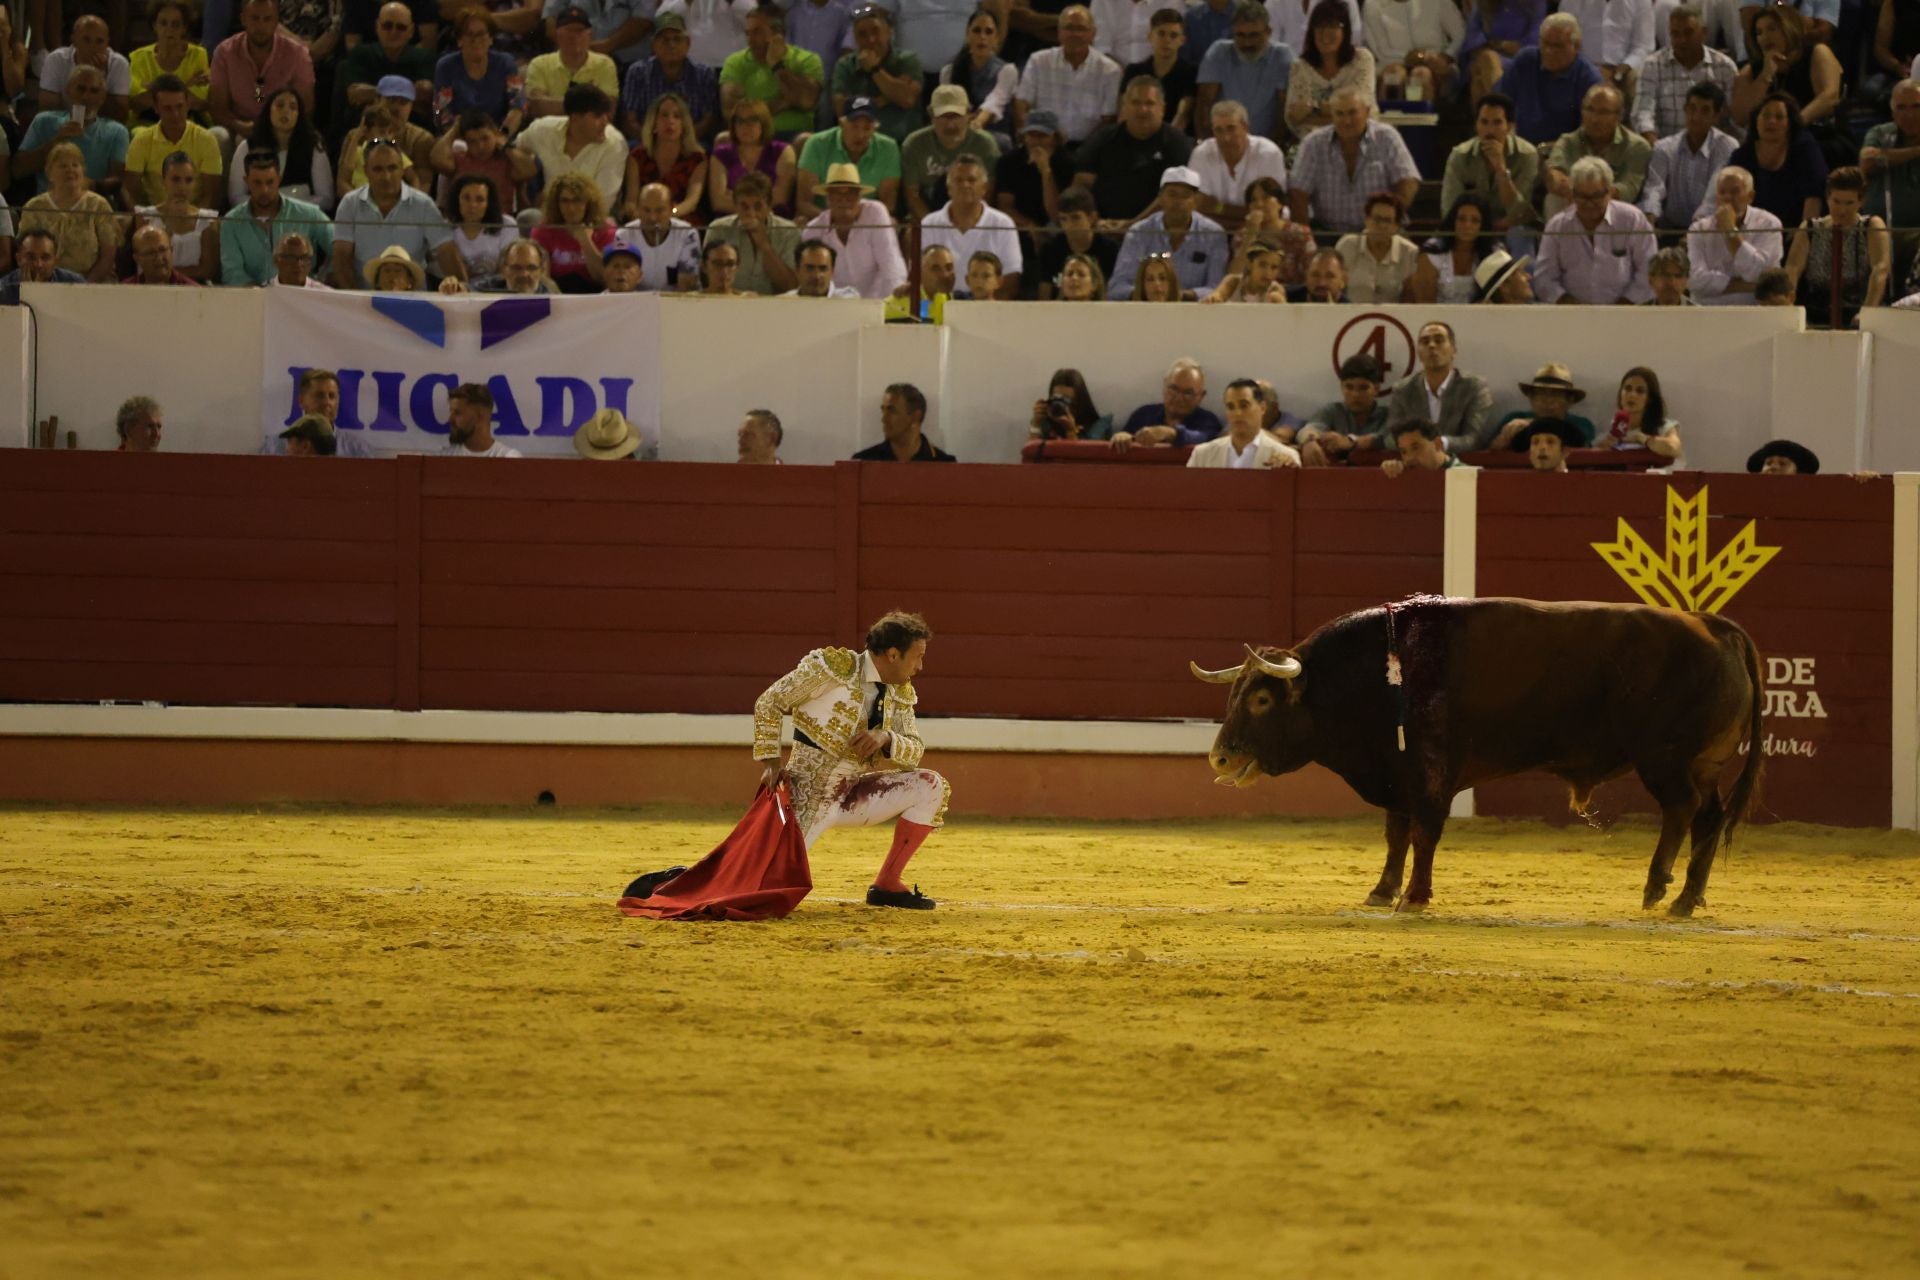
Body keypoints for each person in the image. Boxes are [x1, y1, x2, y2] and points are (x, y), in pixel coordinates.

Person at [751, 610, 949, 908]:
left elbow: (914, 751)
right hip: (808, 793)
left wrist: (887, 738)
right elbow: (770, 701)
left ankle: (888, 884)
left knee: (931, 785)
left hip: (855, 793)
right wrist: (771, 762)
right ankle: (678, 880)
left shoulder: (900, 692)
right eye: (917, 656)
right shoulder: (832, 670)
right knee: (762, 885)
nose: (920, 666)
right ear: (894, 654)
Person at [1287, 87, 1420, 233]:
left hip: (1381, 231)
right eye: (1340, 114)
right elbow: (1297, 193)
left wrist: (1386, 221)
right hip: (1327, 232)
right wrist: (1307, 240)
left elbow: (1408, 183)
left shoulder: (1387, 137)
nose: (1347, 121)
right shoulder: (1313, 143)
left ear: (1367, 112)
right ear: (1332, 115)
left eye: (1353, 112)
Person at [333, 138, 462, 288]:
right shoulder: (350, 204)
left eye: (392, 168)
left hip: (413, 300)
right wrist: (357, 301)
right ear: (366, 170)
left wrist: (462, 288)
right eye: (378, 169)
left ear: (402, 169)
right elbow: (341, 259)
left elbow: (446, 251)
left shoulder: (423, 204)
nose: (386, 176)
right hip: (365, 298)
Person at [1534, 155, 1658, 304]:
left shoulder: (1632, 219)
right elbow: (1544, 278)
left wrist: (1624, 306)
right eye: (1582, 197)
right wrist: (1569, 304)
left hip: (1627, 314)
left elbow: (1649, 271)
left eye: (1596, 196)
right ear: (1572, 194)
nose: (1589, 204)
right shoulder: (1557, 226)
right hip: (1571, 317)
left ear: (1610, 192)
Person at [1074, 76, 1193, 225]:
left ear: (1162, 109)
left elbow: (1176, 196)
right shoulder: (1104, 138)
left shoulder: (1178, 143)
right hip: (1103, 227)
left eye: (1150, 103)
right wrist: (1094, 221)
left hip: (1156, 233)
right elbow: (1082, 184)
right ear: (1124, 106)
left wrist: (1132, 226)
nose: (1143, 110)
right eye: (1136, 103)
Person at [1786, 165, 1890, 327]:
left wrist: (1866, 313)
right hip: (1816, 307)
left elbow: (1880, 269)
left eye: (1849, 203)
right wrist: (1789, 309)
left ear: (1861, 201)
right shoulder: (1810, 228)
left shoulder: (1871, 226)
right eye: (1836, 201)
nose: (1842, 210)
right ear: (1827, 197)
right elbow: (1793, 268)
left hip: (1858, 305)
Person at [1107, 165, 1227, 296]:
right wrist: (1151, 295)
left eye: (1185, 196)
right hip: (1147, 311)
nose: (1178, 202)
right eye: (1172, 194)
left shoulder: (1214, 234)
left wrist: (1180, 296)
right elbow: (1117, 286)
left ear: (1196, 201)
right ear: (1160, 198)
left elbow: (1217, 287)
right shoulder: (1139, 233)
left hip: (1196, 312)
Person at [1012, 4, 1123, 145]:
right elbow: (1021, 104)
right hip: (1044, 143)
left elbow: (1108, 119)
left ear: (1093, 34)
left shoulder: (1110, 70)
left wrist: (1087, 151)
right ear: (1059, 32)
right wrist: (1030, 139)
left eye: (1081, 29)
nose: (1075, 34)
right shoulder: (1038, 61)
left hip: (1088, 147)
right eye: (1069, 28)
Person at [15, 66, 131, 198]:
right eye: (81, 88)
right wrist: (56, 141)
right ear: (68, 91)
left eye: (94, 91)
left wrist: (79, 185)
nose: (86, 96)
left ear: (102, 98)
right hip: (48, 205)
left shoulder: (116, 132)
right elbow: (18, 169)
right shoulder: (44, 121)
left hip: (93, 205)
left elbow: (117, 181)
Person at [1385, 319, 1494, 456]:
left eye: (1439, 340)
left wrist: (1441, 443)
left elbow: (1476, 438)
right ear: (1418, 353)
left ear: (1453, 350)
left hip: (1460, 467)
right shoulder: (1403, 389)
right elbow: (1389, 438)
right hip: (1416, 466)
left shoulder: (1474, 387)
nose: (1431, 345)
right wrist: (1417, 446)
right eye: (1425, 342)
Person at [223, 152, 334, 286]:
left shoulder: (309, 214)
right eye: (257, 183)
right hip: (254, 300)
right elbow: (232, 273)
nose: (264, 190)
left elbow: (339, 248)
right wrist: (263, 297)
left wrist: (322, 279)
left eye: (270, 182)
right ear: (246, 181)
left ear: (279, 180)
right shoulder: (231, 222)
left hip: (303, 296)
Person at [209, 0, 317, 136]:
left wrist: (277, 131)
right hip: (238, 130)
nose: (261, 26)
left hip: (283, 132)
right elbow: (218, 107)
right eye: (255, 18)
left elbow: (306, 108)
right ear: (243, 19)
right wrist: (240, 127)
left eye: (267, 19)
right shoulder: (225, 53)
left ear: (277, 21)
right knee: (218, 135)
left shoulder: (297, 54)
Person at [800, 162, 908, 297]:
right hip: (834, 307)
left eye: (851, 192)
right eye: (837, 193)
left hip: (877, 302)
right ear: (828, 198)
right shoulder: (813, 231)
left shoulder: (875, 213)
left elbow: (891, 264)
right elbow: (809, 280)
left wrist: (893, 303)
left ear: (859, 196)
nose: (844, 199)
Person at [1639, 81, 1736, 231]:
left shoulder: (1726, 146)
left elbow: (1713, 196)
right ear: (1685, 109)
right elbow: (1654, 188)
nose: (1696, 117)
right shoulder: (1664, 147)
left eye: (1705, 110)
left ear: (1716, 116)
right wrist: (1650, 220)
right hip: (1669, 229)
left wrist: (1696, 231)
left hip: (1710, 229)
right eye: (1692, 109)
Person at [1632, 4, 1737, 141]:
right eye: (1675, 34)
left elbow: (1735, 118)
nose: (1682, 40)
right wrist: (1658, 148)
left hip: (1714, 150)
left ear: (1704, 33)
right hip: (1664, 147)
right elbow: (1642, 113)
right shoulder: (1652, 65)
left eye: (1688, 33)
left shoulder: (1724, 67)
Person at [1543, 84, 1651, 219]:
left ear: (1619, 116)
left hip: (1616, 211)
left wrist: (1589, 195)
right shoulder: (1568, 141)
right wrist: (1572, 191)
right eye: (1589, 109)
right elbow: (1554, 174)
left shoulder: (1637, 146)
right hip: (1575, 204)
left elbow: (1628, 189)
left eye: (1604, 112)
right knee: (1554, 199)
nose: (1594, 119)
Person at [1723, 90, 1827, 228]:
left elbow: (1814, 196)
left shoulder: (1805, 149)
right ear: (1756, 120)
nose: (1771, 121)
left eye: (1779, 117)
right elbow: (1729, 198)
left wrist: (1803, 236)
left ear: (1790, 124)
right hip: (1753, 232)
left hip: (1795, 230)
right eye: (1766, 115)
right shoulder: (1742, 155)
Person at [1729, 4, 1841, 132]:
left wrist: (1792, 126)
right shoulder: (1750, 70)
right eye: (1759, 32)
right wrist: (1766, 75)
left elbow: (1829, 98)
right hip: (1770, 140)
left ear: (1789, 28)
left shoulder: (1817, 52)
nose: (1765, 37)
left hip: (1817, 135)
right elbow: (1740, 117)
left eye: (1772, 29)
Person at [1495, 11, 1602, 145]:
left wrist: (1547, 149)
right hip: (1518, 147)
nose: (1549, 51)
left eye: (1558, 46)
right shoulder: (1525, 60)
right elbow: (1497, 104)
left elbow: (1587, 137)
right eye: (1545, 43)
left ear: (1576, 46)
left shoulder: (1589, 80)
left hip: (1563, 155)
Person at [518, 83, 628, 212]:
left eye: (606, 115)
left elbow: (602, 203)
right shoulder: (543, 130)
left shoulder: (614, 143)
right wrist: (522, 189)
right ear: (575, 118)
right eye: (597, 116)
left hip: (591, 222)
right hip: (546, 219)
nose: (605, 122)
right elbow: (514, 148)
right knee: (528, 217)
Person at [921, 155, 1022, 295]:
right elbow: (921, 276)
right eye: (959, 180)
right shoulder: (928, 223)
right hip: (940, 305)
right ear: (948, 188)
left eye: (971, 180)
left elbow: (1011, 278)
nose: (965, 185)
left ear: (984, 188)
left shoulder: (1003, 223)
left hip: (987, 308)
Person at [1440, 91, 1539, 233]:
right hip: (1470, 229)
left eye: (1497, 123)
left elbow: (1520, 214)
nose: (1490, 130)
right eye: (1484, 122)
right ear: (1476, 125)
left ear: (1509, 127)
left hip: (1510, 228)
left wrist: (1501, 169)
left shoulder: (1527, 154)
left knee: (1520, 233)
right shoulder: (1460, 155)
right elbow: (1449, 209)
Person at [724, 4, 826, 140]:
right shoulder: (735, 62)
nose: (750, 40)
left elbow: (807, 101)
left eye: (757, 32)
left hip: (794, 135)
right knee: (723, 139)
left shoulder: (807, 60)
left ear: (778, 33)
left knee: (805, 140)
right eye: (747, 33)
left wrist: (777, 66)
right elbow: (731, 112)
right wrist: (785, 102)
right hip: (751, 137)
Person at [1194, 1, 1293, 141]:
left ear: (1269, 32)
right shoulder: (1218, 53)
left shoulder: (1282, 56)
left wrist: (1268, 149)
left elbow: (1286, 112)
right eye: (1240, 35)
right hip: (1223, 143)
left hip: (1268, 144)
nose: (1247, 43)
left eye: (1254, 35)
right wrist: (1209, 146)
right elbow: (1204, 105)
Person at [21, 143, 121, 282]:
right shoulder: (34, 207)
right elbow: (26, 254)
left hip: (93, 284)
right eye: (63, 166)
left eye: (75, 165)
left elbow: (108, 257)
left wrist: (82, 287)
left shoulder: (98, 205)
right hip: (43, 283)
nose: (70, 170)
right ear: (49, 173)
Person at [900, 83, 1000, 219]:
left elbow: (987, 193)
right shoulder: (914, 144)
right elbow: (912, 196)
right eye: (944, 116)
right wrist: (934, 226)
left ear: (969, 115)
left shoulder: (985, 144)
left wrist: (968, 224)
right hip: (928, 216)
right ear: (931, 116)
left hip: (973, 216)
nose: (950, 124)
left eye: (956, 116)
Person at [1686, 164, 1782, 303]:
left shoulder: (1769, 224)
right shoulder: (1698, 228)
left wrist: (1730, 232)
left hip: (1753, 312)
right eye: (1722, 192)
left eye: (1734, 192)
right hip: (1707, 313)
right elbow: (1695, 280)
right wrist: (1747, 286)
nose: (1727, 198)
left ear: (1751, 196)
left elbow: (1759, 275)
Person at [620, 12, 721, 142]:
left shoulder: (704, 74)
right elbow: (630, 121)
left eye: (677, 39)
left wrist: (680, 143)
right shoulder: (637, 72)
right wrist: (656, 144)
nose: (671, 45)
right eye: (664, 39)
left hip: (692, 143)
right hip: (646, 142)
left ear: (688, 43)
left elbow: (708, 120)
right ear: (653, 44)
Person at [123, 75, 221, 209]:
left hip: (196, 220)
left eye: (179, 107)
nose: (175, 114)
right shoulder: (142, 141)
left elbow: (211, 195)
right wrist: (146, 219)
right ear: (156, 108)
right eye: (167, 108)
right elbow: (130, 192)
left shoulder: (206, 140)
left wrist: (195, 224)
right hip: (154, 219)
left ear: (188, 104)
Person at [334, 2, 436, 132]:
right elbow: (355, 94)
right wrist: (405, 97)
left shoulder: (424, 57)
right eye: (387, 26)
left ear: (411, 31)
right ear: (377, 27)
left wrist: (376, 95)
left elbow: (425, 93)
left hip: (411, 132)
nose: (393, 32)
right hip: (366, 129)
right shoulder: (360, 54)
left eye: (401, 27)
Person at [831, 3, 924, 144]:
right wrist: (885, 97)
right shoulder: (845, 65)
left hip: (903, 145)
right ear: (855, 39)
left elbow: (907, 99)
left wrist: (875, 69)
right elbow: (841, 110)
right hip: (859, 144)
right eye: (862, 34)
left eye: (876, 31)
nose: (871, 40)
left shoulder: (907, 60)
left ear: (889, 32)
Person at [230, 87, 335, 210]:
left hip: (300, 221)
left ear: (299, 114)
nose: (286, 111)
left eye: (293, 107)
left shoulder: (314, 148)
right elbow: (236, 198)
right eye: (280, 105)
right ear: (269, 111)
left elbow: (326, 199)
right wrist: (268, 206)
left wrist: (286, 208)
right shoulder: (247, 147)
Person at [1188, 98, 1285, 228]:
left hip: (1262, 235)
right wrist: (1243, 219)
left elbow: (1271, 212)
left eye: (1231, 129)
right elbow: (1198, 209)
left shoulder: (1269, 154)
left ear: (1246, 127)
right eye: (1219, 130)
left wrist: (1219, 208)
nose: (1226, 138)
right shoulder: (1201, 154)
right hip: (1212, 233)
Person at [1862, 79, 1920, 289]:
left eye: (1916, 106)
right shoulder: (1882, 134)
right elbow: (1868, 161)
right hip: (1882, 231)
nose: (1909, 114)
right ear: (1892, 111)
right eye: (1901, 107)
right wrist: (1916, 151)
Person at [796, 96, 901, 211]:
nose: (860, 135)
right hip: (823, 217)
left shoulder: (888, 148)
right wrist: (834, 221)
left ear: (875, 128)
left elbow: (887, 205)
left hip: (868, 219)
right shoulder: (817, 144)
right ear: (842, 123)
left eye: (867, 128)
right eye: (854, 126)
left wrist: (857, 224)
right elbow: (804, 203)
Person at [1287, 0, 1375, 133]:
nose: (1325, 33)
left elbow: (1361, 111)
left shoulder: (1361, 59)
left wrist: (1313, 109)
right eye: (1320, 27)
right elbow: (1293, 118)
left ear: (1345, 31)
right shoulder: (1300, 66)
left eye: (1333, 26)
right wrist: (1342, 115)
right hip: (1312, 145)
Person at [132, 150, 221, 281]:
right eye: (176, 179)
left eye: (188, 180)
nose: (182, 187)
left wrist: (164, 272)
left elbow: (207, 271)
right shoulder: (145, 217)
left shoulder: (207, 220)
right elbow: (143, 265)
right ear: (163, 181)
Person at [704, 171, 799, 293]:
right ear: (735, 206)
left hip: (775, 305)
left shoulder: (789, 231)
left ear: (769, 206)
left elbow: (790, 287)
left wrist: (764, 245)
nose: (751, 213)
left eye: (758, 206)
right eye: (744, 206)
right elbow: (708, 280)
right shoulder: (718, 229)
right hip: (730, 302)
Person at [435, 8, 525, 134]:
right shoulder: (445, 66)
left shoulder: (506, 63)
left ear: (491, 38)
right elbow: (441, 111)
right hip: (458, 135)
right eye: (469, 34)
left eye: (481, 34)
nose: (476, 40)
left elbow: (518, 106)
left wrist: (502, 136)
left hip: (498, 135)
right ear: (459, 40)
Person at [624, 91, 707, 221]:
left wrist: (668, 214)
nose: (670, 121)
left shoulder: (697, 158)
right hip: (644, 220)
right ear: (654, 123)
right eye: (664, 115)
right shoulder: (637, 156)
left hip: (680, 220)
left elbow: (691, 202)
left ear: (684, 124)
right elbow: (631, 201)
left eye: (677, 116)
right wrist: (644, 216)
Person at [527, 3, 620, 117]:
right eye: (568, 30)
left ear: (590, 35)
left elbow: (608, 111)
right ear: (557, 34)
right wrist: (589, 105)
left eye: (579, 31)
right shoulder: (539, 64)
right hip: (550, 130)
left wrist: (552, 104)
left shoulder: (604, 64)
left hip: (593, 132)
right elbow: (536, 107)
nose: (574, 36)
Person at [1363, 0, 1465, 104]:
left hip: (1435, 62)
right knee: (1393, 75)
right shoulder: (1372, 5)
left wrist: (1447, 56)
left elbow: (1460, 35)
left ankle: (1423, 118)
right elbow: (1381, 51)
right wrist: (1415, 57)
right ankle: (1391, 119)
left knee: (1420, 75)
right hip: (1391, 62)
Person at [941, 7, 1020, 139]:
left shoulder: (1008, 71)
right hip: (957, 135)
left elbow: (994, 102)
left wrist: (975, 124)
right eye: (977, 31)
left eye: (988, 32)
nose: (982, 37)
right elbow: (947, 110)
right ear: (967, 35)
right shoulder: (949, 72)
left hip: (994, 137)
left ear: (996, 39)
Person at [1297, 353, 1389, 465]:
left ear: (1376, 389)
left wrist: (1350, 441)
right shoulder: (1332, 411)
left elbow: (1387, 438)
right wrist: (1309, 441)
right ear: (1341, 387)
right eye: (1349, 387)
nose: (1355, 394)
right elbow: (1310, 428)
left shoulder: (1388, 415)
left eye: (1363, 388)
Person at [709, 98, 797, 216]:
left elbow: (780, 198)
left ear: (764, 123)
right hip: (732, 222)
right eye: (740, 121)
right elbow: (718, 202)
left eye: (752, 120)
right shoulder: (721, 154)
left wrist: (736, 198)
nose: (746, 126)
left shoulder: (783, 151)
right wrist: (759, 203)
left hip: (773, 220)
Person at [1187, 377, 1302, 467]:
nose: (1237, 413)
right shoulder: (1201, 455)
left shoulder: (1285, 457)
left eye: (1244, 405)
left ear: (1262, 408)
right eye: (1231, 407)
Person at [1110, 356, 1221, 448]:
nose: (1178, 398)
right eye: (1173, 389)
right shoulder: (1143, 415)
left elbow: (1202, 439)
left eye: (1188, 393)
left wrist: (1169, 433)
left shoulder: (1208, 421)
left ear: (1201, 396)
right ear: (1164, 386)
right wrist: (1121, 437)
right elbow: (1126, 437)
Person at [994, 110, 1077, 232]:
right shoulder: (1009, 162)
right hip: (1021, 226)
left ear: (1055, 137)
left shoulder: (1068, 163)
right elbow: (1005, 206)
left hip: (1058, 227)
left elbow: (1057, 215)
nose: (1037, 141)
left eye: (1042, 135)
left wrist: (1046, 172)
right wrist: (1030, 226)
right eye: (1031, 135)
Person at [38, 15, 133, 121]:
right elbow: (47, 108)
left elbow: (120, 116)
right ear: (73, 39)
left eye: (99, 41)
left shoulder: (119, 64)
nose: (93, 47)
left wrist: (100, 77)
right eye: (86, 40)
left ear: (107, 43)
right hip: (63, 122)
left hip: (101, 127)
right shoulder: (56, 59)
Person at [1488, 361, 1597, 450]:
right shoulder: (1513, 418)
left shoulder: (1581, 424)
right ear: (1531, 398)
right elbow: (1490, 451)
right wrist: (1503, 441)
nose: (1548, 401)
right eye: (1541, 394)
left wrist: (1530, 425)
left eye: (1556, 395)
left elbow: (1580, 441)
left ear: (1570, 400)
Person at [1336, 189, 1420, 301]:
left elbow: (1412, 299)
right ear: (1366, 220)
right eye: (1377, 219)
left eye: (1387, 220)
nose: (1381, 225)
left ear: (1396, 226)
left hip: (1394, 316)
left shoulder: (1410, 252)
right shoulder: (1347, 245)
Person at [1031, 184, 1117, 294]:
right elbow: (1044, 295)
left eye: (1076, 218)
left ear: (1092, 218)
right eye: (1063, 219)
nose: (1069, 225)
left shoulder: (1110, 250)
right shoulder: (1050, 250)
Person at [1124, 7, 1198, 133]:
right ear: (1150, 36)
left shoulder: (1190, 72)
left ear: (1182, 40)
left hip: (1175, 140)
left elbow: (1183, 115)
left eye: (1173, 35)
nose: (1167, 40)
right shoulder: (1134, 71)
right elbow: (1125, 113)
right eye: (1161, 33)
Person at [1460, 0, 1545, 105]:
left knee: (1479, 79)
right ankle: (1504, 115)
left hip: (1519, 60)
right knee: (1485, 62)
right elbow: (1473, 37)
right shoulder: (1483, 4)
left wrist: (1495, 45)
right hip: (1484, 57)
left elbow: (1533, 43)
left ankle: (1500, 113)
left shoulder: (1536, 4)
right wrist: (1502, 45)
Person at [1414, 192, 1492, 302]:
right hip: (1437, 318)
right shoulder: (1433, 252)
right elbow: (1425, 305)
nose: (1467, 225)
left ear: (1483, 226)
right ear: (1452, 221)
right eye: (1461, 219)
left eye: (1475, 221)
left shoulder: (1493, 253)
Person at [852, 383, 957, 459]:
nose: (883, 419)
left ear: (915, 416)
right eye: (883, 410)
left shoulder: (944, 464)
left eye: (891, 411)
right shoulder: (864, 462)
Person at [446, 171, 519, 278]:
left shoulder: (507, 225)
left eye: (480, 200)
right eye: (466, 198)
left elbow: (509, 267)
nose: (472, 205)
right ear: (457, 200)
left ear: (489, 203)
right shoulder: (445, 227)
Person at [1609, 365, 1684, 466]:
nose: (1632, 395)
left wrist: (1642, 438)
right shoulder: (1617, 426)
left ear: (1650, 398)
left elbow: (1673, 448)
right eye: (1627, 388)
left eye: (1640, 391)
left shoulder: (1664, 427)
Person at [0, 229, 86, 303]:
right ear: (18, 259)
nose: (38, 264)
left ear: (55, 261)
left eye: (45, 258)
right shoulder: (3, 289)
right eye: (31, 257)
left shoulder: (75, 284)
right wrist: (28, 292)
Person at [1028, 367, 1114, 440]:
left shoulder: (1097, 428)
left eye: (1066, 400)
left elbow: (1080, 458)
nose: (1060, 404)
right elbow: (1030, 456)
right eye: (1056, 398)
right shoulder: (1045, 423)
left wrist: (1071, 432)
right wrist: (1035, 426)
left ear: (1079, 401)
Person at [443, 382, 523, 456]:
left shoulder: (508, 457)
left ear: (479, 418)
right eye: (451, 412)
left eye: (457, 413)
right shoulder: (444, 457)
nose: (450, 419)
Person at [1201, 241, 1287, 299]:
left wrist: (1279, 302)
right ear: (1249, 264)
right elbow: (1217, 295)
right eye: (1262, 265)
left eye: (1274, 267)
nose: (1268, 272)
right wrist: (1214, 298)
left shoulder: (1276, 289)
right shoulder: (1233, 282)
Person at [124, 220, 203, 284]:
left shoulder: (192, 291)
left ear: (171, 250)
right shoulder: (124, 291)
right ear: (137, 259)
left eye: (162, 250)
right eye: (150, 253)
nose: (159, 258)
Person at [1379, 416, 1456, 476]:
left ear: (1438, 443)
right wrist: (1391, 469)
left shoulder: (1464, 477)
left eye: (1416, 448)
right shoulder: (1408, 474)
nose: (1409, 458)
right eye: (1404, 452)